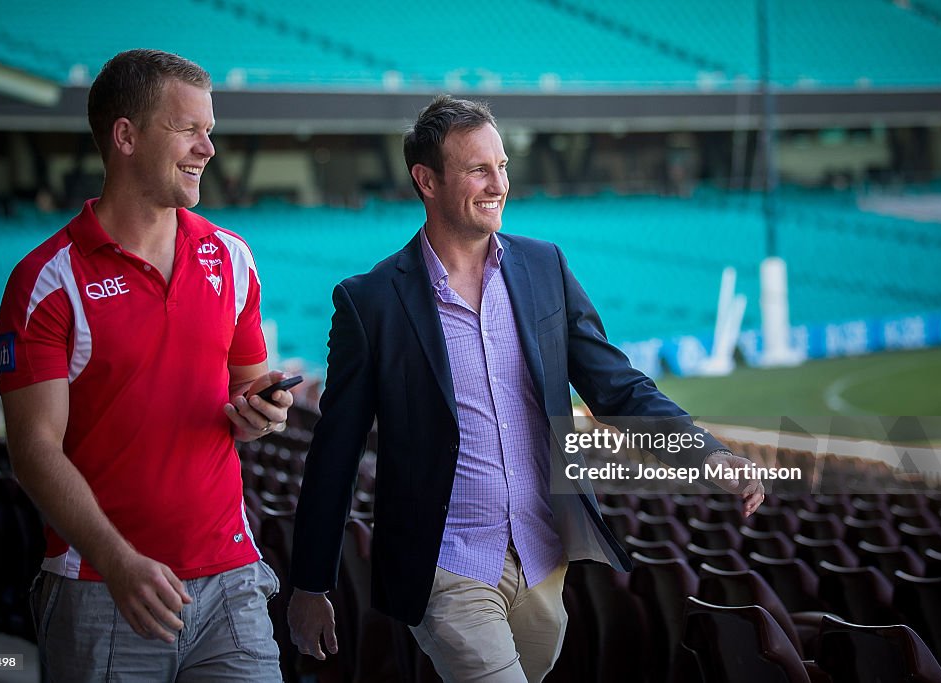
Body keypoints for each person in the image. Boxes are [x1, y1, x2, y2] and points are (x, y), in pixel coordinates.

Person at [287, 94, 765, 682]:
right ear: (426, 180)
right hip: (447, 564)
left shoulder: (545, 268)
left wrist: (706, 453)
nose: (499, 184)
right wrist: (309, 585)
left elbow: (615, 386)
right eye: (479, 169)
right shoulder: (371, 302)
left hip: (543, 559)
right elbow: (334, 453)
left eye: (503, 166)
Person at [0, 49, 290, 681]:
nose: (208, 148)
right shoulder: (47, 280)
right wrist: (118, 560)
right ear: (125, 136)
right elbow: (33, 449)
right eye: (189, 129)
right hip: (103, 588)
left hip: (230, 579)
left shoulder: (233, 258)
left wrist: (261, 412)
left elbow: (246, 400)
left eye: (209, 130)